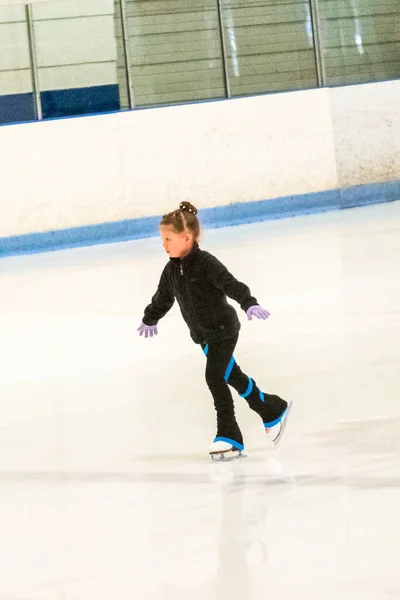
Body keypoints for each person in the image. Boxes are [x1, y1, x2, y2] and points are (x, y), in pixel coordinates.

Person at [137, 202, 291, 459]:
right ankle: (270, 408)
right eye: (162, 239)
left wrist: (248, 303)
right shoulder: (172, 269)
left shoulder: (206, 263)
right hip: (203, 335)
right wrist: (150, 317)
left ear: (187, 237)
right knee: (231, 374)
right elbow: (163, 297)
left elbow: (230, 283)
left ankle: (229, 434)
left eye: (168, 238)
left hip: (223, 329)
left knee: (215, 376)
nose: (164, 244)